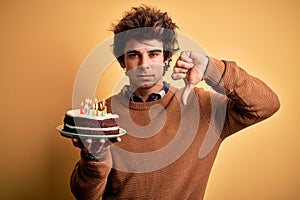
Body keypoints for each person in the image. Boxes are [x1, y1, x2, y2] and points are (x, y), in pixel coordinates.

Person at [69, 5, 280, 200]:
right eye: (134, 55)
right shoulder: (101, 116)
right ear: (123, 61)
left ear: (166, 58)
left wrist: (210, 67)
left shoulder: (202, 107)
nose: (145, 65)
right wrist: (94, 156)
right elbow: (86, 196)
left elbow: (267, 104)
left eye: (153, 54)